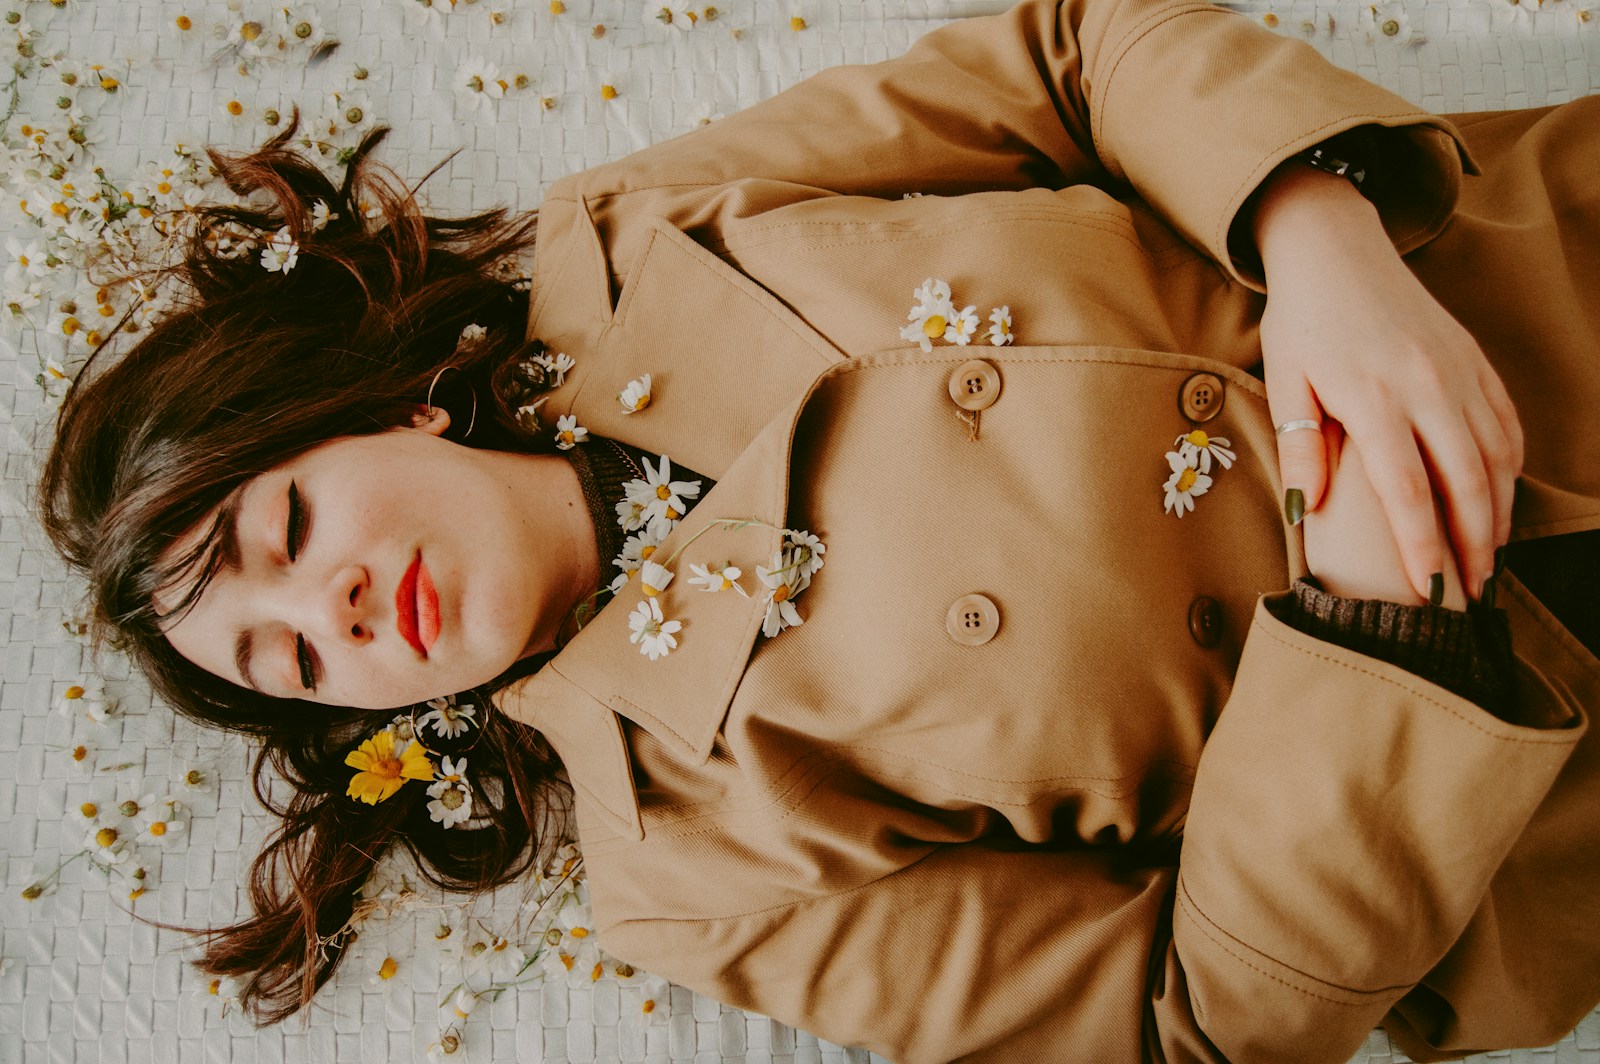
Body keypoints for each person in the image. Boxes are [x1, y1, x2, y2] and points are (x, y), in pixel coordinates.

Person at [34, 0, 1600, 1058]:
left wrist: (1317, 240)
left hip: (1533, 284)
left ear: (387, 409)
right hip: (1547, 766)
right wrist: (1379, 623)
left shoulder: (633, 242)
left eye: (293, 523)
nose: (344, 607)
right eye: (296, 655)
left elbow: (1068, 52)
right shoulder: (696, 872)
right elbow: (1178, 1024)